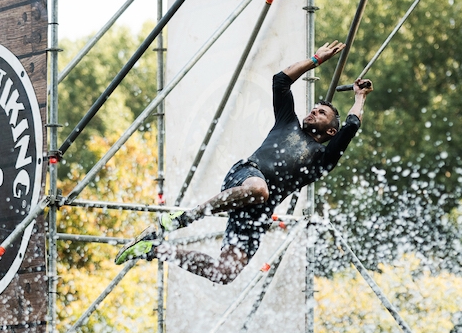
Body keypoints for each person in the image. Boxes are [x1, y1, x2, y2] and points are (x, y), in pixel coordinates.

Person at [115, 40, 374, 284]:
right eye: (313, 109)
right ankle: (184, 218)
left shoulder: (322, 160)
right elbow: (281, 80)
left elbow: (351, 126)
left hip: (258, 213)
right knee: (260, 190)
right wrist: (316, 59)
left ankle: (153, 249)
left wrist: (360, 96)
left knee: (224, 273)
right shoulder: (288, 122)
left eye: (321, 113)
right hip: (246, 176)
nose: (313, 111)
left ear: (331, 131)